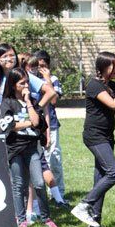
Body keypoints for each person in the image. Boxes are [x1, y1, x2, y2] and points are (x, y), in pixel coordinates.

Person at [71, 52, 115, 227]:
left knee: (101, 176)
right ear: (103, 67)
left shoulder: (109, 84)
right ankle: (84, 205)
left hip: (107, 136)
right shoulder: (94, 85)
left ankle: (94, 218)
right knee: (113, 173)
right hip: (95, 136)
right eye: (114, 66)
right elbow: (113, 103)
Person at [0, 68, 57, 227]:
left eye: (27, 82)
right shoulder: (7, 103)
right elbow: (7, 125)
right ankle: (21, 219)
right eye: (22, 83)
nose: (26, 86)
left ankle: (46, 217)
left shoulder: (33, 102)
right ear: (14, 85)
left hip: (32, 148)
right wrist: (28, 123)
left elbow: (38, 122)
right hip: (15, 149)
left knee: (38, 183)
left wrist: (28, 101)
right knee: (18, 184)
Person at [28, 50, 68, 208]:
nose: (39, 69)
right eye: (37, 66)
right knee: (38, 161)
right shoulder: (29, 80)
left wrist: (47, 80)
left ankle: (59, 195)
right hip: (35, 127)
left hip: (51, 125)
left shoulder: (53, 79)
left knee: (54, 159)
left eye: (43, 66)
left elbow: (53, 101)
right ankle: (39, 196)